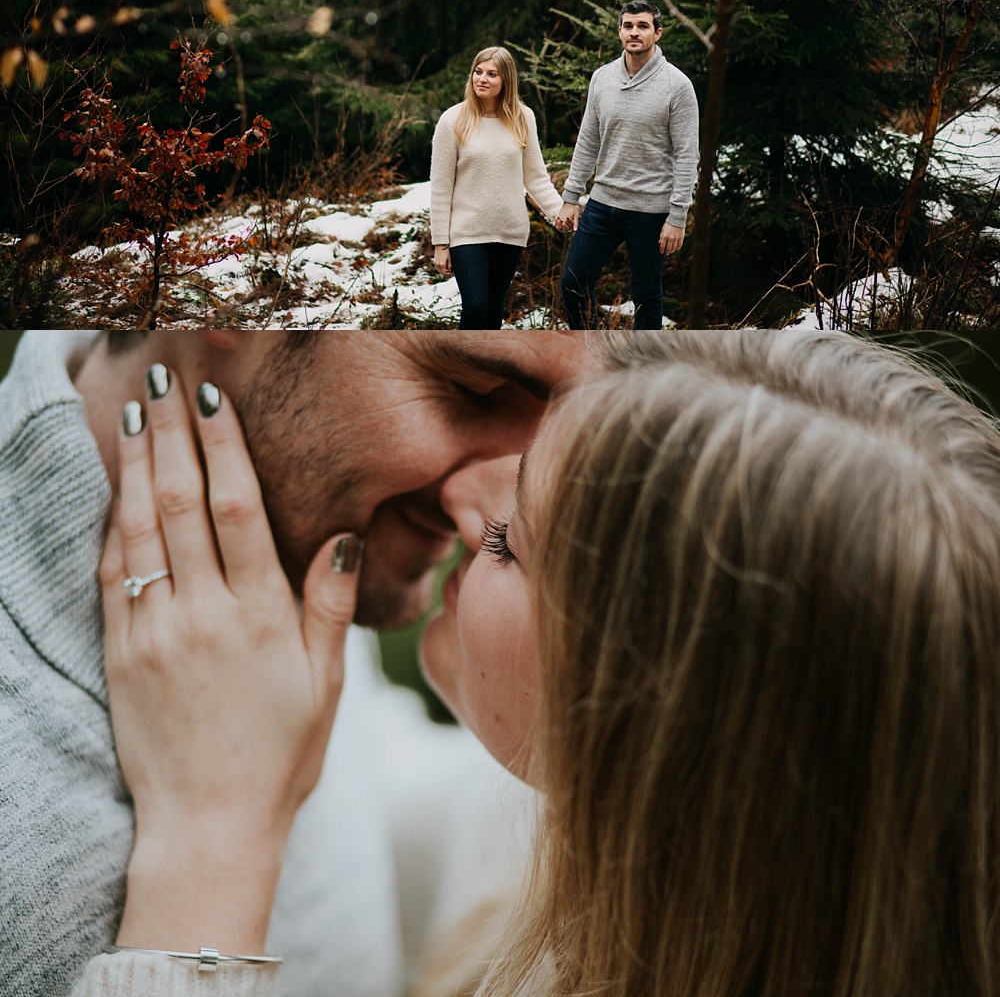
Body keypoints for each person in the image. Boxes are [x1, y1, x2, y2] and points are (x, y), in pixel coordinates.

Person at [62, 330, 1000, 997]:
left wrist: (211, 843)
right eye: (476, 388)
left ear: (662, 725)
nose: (469, 492)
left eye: (511, 538)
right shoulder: (613, 888)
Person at [0, 326, 591, 997]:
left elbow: (379, 802)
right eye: (472, 390)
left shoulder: (285, 532)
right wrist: (217, 843)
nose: (507, 487)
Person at [555, 1, 699, 331]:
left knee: (646, 295)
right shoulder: (602, 78)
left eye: (643, 26)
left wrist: (677, 217)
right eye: (628, 25)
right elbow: (588, 141)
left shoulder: (677, 85)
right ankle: (590, 354)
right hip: (602, 204)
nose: (634, 32)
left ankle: (641, 372)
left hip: (650, 210)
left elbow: (687, 155)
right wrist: (571, 196)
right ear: (620, 31)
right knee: (573, 284)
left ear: (657, 33)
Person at [430, 46, 564, 328]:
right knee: (475, 306)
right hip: (467, 232)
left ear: (506, 81)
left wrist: (559, 213)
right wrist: (440, 243)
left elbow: (536, 176)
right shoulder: (452, 120)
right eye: (478, 72)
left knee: (493, 310)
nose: (482, 79)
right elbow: (441, 187)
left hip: (509, 230)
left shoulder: (522, 118)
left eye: (492, 74)